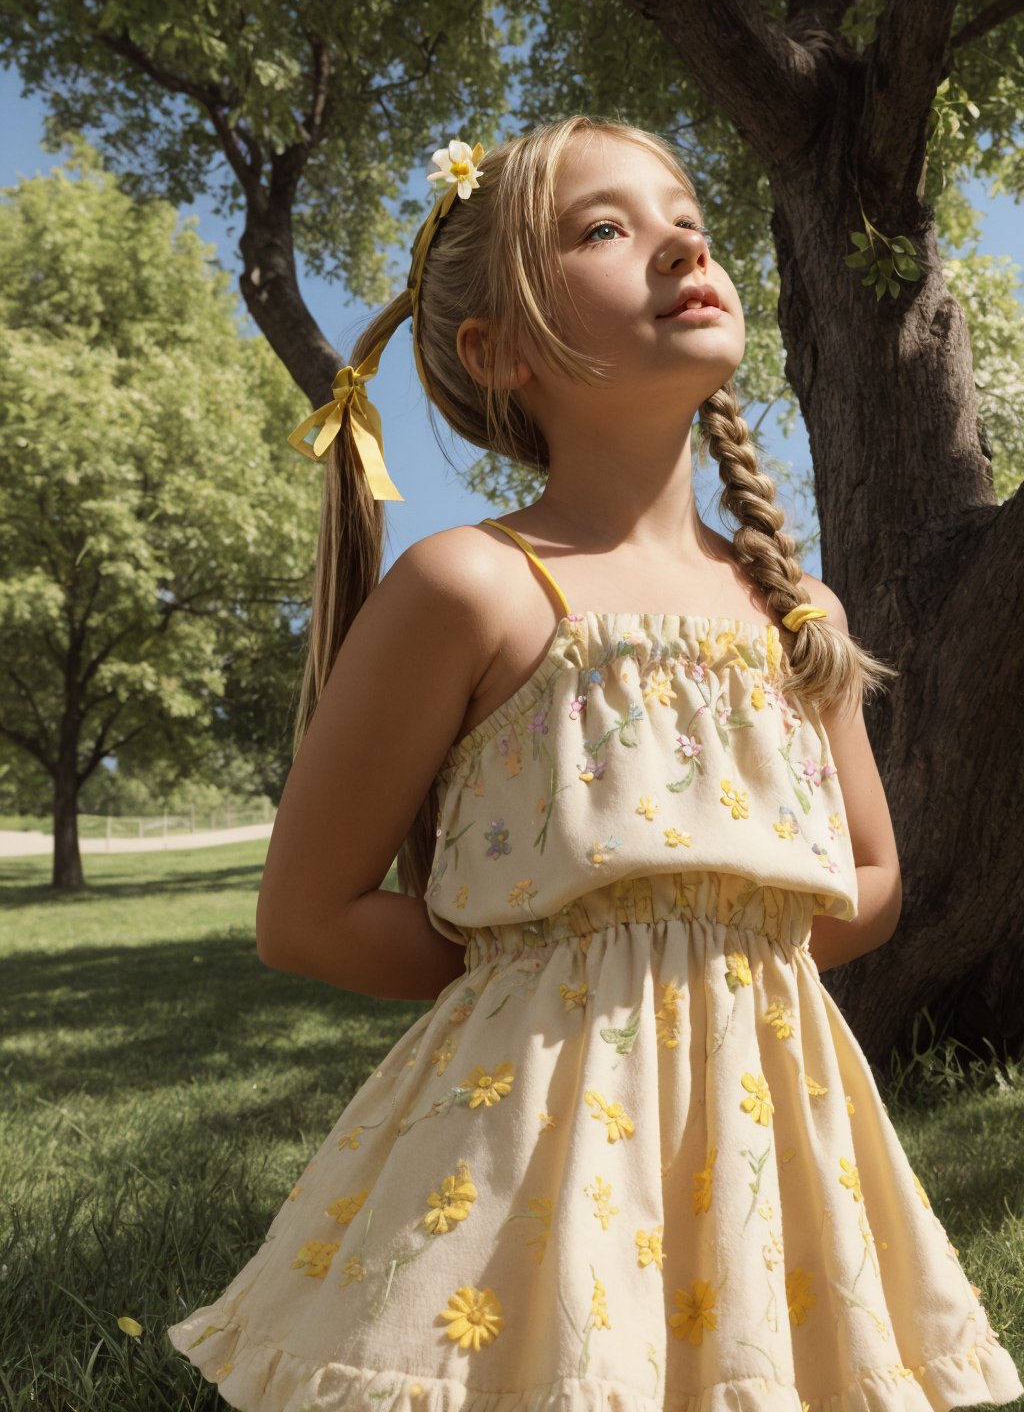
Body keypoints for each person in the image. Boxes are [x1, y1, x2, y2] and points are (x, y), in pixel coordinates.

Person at [167, 117, 1023, 1410]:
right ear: (499, 350)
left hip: (768, 1127)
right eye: (604, 228)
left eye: (684, 212)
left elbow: (869, 874)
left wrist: (723, 952)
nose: (681, 237)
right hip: (542, 1137)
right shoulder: (472, 587)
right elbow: (306, 916)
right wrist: (550, 963)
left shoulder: (800, 610)